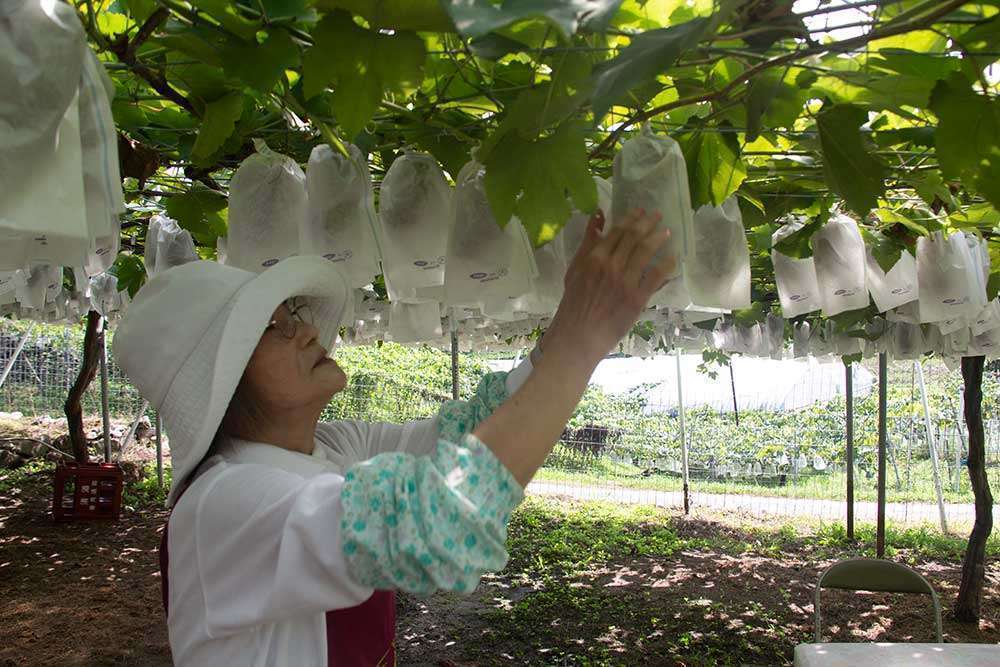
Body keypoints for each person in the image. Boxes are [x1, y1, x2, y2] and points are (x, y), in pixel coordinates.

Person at [113, 208, 672, 666]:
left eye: (293, 314)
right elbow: (436, 520)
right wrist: (582, 341)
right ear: (221, 374)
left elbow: (460, 436)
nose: (306, 329)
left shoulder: (330, 448)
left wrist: (568, 330)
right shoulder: (223, 502)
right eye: (273, 328)